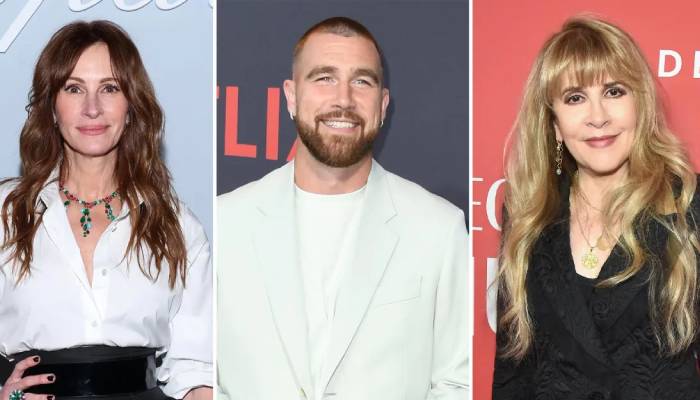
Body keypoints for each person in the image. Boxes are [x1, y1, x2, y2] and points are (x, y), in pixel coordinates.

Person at [217, 16, 470, 400]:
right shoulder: (227, 222)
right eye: (324, 78)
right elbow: (209, 376)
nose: (344, 99)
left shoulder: (438, 227)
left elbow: (457, 383)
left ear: (383, 104)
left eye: (362, 81)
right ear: (291, 96)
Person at [0, 21, 212, 400]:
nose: (92, 108)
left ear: (131, 106)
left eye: (110, 88)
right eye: (74, 88)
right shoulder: (6, 213)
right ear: (51, 107)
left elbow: (198, 372)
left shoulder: (176, 225)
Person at [493, 16, 700, 400]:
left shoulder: (688, 204)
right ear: (555, 124)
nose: (598, 116)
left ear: (640, 103)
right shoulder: (527, 213)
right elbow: (512, 371)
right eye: (575, 98)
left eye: (614, 91)